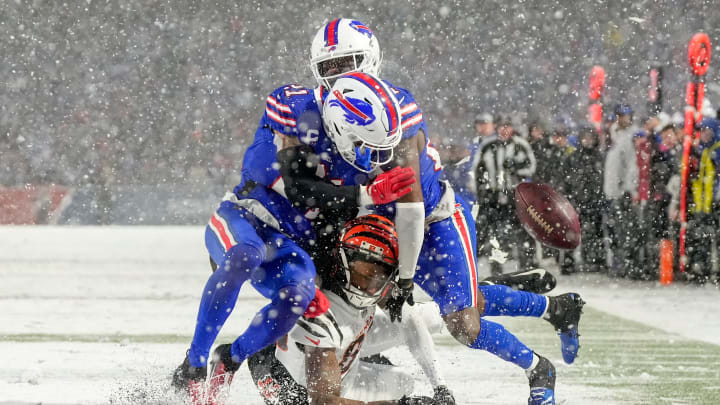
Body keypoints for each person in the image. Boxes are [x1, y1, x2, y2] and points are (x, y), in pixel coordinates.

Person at [257, 65, 583, 404]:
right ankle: (552, 308)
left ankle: (538, 369)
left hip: (431, 220)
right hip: (379, 221)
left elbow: (410, 211)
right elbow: (301, 191)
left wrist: (407, 279)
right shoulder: (313, 121)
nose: (379, 156)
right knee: (446, 306)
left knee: (461, 322)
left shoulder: (393, 116)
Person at [170, 17, 417, 401]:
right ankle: (193, 364)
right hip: (249, 216)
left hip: (296, 238)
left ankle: (231, 359)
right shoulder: (299, 110)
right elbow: (303, 190)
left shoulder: (387, 114)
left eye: (347, 63)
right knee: (245, 255)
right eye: (330, 67)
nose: (338, 75)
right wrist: (368, 194)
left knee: (299, 295)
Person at [247, 214, 454, 405]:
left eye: (379, 273)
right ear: (341, 261)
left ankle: (485, 292)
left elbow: (410, 319)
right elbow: (325, 401)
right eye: (362, 272)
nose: (369, 283)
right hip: (306, 384)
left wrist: (441, 387)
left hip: (347, 352)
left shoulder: (365, 281)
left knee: (430, 321)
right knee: (402, 385)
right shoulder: (319, 312)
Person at [475, 113, 538, 276]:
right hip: (494, 197)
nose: (504, 130)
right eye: (501, 126)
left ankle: (528, 268)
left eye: (507, 126)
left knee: (523, 232)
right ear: (496, 127)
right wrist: (483, 192)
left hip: (516, 196)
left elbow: (531, 168)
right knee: (495, 235)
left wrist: (515, 168)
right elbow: (478, 171)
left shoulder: (521, 145)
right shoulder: (488, 146)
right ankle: (497, 271)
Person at [603, 103, 639, 277]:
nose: (623, 118)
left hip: (621, 191)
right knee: (613, 230)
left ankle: (625, 264)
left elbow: (632, 166)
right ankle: (616, 263)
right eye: (620, 115)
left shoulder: (629, 136)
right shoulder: (612, 134)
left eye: (626, 115)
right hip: (610, 190)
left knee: (624, 230)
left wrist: (628, 188)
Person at [566, 126, 606, 272]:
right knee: (576, 233)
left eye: (590, 138)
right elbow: (566, 180)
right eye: (585, 137)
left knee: (596, 232)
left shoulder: (599, 157)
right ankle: (574, 262)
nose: (588, 141)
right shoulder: (574, 158)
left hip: (595, 200)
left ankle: (595, 261)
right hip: (578, 199)